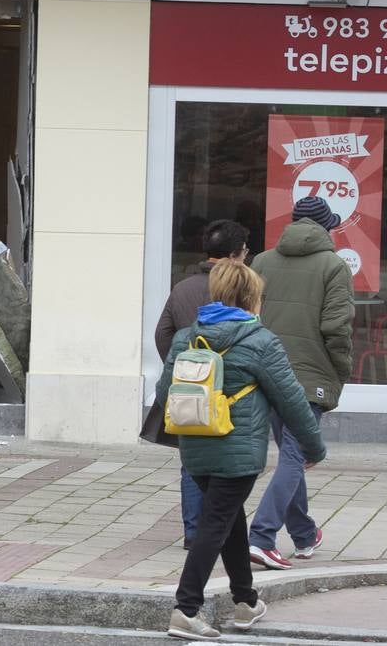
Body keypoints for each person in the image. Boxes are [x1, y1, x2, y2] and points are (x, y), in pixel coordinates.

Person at [157, 261, 325, 640]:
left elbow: (164, 394)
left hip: (196, 449)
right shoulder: (260, 342)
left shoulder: (186, 338)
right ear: (252, 299)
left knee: (229, 521)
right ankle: (185, 609)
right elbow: (293, 401)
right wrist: (314, 446)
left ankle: (246, 601)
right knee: (215, 524)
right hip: (239, 451)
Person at [247, 195, 354, 571]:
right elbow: (335, 328)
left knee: (290, 456)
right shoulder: (334, 266)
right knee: (296, 455)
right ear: (328, 227)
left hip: (265, 370)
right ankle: (261, 536)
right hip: (308, 375)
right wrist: (340, 371)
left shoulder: (260, 261)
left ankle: (305, 534)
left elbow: (249, 319)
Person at [154, 220, 249, 550]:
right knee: (229, 464)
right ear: (236, 255)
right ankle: (222, 531)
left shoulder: (182, 288)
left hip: (191, 388)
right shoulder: (242, 289)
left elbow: (163, 334)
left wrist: (183, 368)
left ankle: (194, 532)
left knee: (191, 461)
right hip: (233, 392)